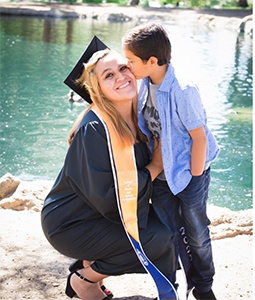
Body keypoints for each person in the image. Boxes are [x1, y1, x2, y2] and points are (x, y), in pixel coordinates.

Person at [41, 48, 176, 300]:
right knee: (159, 240)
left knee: (170, 233)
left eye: (124, 68)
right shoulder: (94, 128)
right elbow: (110, 197)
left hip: (98, 216)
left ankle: (91, 269)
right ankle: (84, 279)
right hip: (71, 223)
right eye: (108, 75)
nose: (120, 77)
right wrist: (155, 166)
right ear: (97, 89)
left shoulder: (138, 119)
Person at [122, 23, 220, 300]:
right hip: (162, 173)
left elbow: (199, 139)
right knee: (170, 232)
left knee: (196, 232)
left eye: (130, 61)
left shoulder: (183, 89)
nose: (126, 67)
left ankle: (204, 286)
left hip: (191, 171)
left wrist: (195, 177)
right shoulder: (143, 83)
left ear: (151, 61)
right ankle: (172, 288)